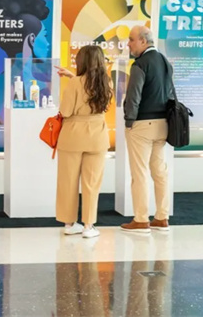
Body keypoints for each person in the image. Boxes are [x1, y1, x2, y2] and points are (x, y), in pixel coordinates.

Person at [120, 26, 174, 234]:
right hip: (163, 124)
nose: (128, 44)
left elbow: (133, 96)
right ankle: (162, 217)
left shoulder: (140, 64)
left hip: (142, 125)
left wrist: (129, 121)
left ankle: (141, 219)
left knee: (139, 172)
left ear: (143, 41)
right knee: (159, 172)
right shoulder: (165, 61)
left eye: (131, 39)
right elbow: (171, 93)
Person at [54, 45, 112, 239]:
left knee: (67, 181)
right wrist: (73, 78)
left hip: (72, 137)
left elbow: (66, 111)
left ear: (82, 61)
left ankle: (69, 224)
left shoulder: (75, 83)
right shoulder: (107, 82)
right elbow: (91, 91)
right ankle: (88, 226)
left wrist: (73, 79)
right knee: (92, 183)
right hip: (97, 137)